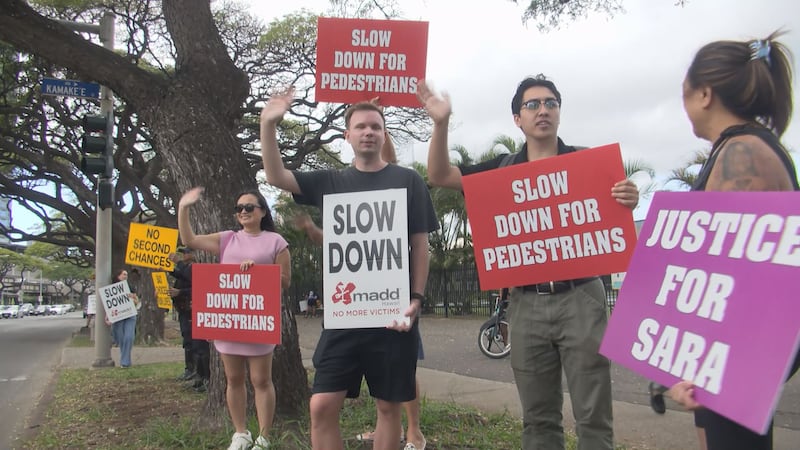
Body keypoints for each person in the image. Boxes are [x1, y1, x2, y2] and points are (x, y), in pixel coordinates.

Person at [416, 76, 639, 450]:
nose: (543, 110)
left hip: (582, 297)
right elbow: (439, 175)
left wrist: (627, 197)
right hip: (526, 304)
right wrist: (440, 124)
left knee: (594, 417)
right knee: (538, 419)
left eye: (551, 103)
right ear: (517, 119)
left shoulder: (590, 165)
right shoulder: (501, 171)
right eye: (533, 105)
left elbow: (615, 221)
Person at [260, 90, 438, 450]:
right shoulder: (329, 182)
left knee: (388, 406)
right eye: (360, 126)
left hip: (393, 315)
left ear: (384, 134)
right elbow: (276, 176)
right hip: (345, 317)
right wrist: (268, 124)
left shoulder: (408, 180)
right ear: (348, 136)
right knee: (321, 405)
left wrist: (416, 298)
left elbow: (420, 246)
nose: (368, 131)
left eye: (375, 126)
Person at [668, 31, 798, 450]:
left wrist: (701, 364)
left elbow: (745, 281)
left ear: (704, 93)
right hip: (731, 361)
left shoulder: (743, 156)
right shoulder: (739, 148)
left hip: (739, 361)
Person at [293, 212, 427, 450]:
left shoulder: (400, 191)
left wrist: (416, 297)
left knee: (389, 401)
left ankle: (414, 429)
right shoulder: (344, 196)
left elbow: (416, 243)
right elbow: (343, 243)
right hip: (348, 313)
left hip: (389, 308)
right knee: (321, 404)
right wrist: (314, 231)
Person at [178, 188, 291, 450]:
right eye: (239, 208)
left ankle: (264, 437)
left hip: (259, 321)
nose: (243, 212)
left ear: (262, 211)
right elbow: (190, 239)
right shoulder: (227, 239)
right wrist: (184, 208)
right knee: (234, 380)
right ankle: (241, 433)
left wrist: (260, 270)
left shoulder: (276, 242)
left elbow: (285, 282)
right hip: (230, 321)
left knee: (261, 381)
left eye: (249, 207)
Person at [168, 247, 211, 392]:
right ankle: (196, 374)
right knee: (190, 341)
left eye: (186, 252)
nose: (184, 255)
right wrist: (169, 269)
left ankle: (205, 378)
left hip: (196, 309)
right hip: (186, 309)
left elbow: (195, 281)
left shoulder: (199, 267)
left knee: (201, 345)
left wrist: (180, 291)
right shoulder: (188, 268)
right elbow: (183, 275)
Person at [110, 269, 139, 368]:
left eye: (126, 275)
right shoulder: (111, 288)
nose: (125, 276)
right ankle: (126, 359)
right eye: (123, 274)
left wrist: (132, 298)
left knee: (129, 337)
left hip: (130, 314)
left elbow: (137, 301)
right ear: (118, 276)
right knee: (120, 338)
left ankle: (125, 362)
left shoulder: (130, 287)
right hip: (118, 316)